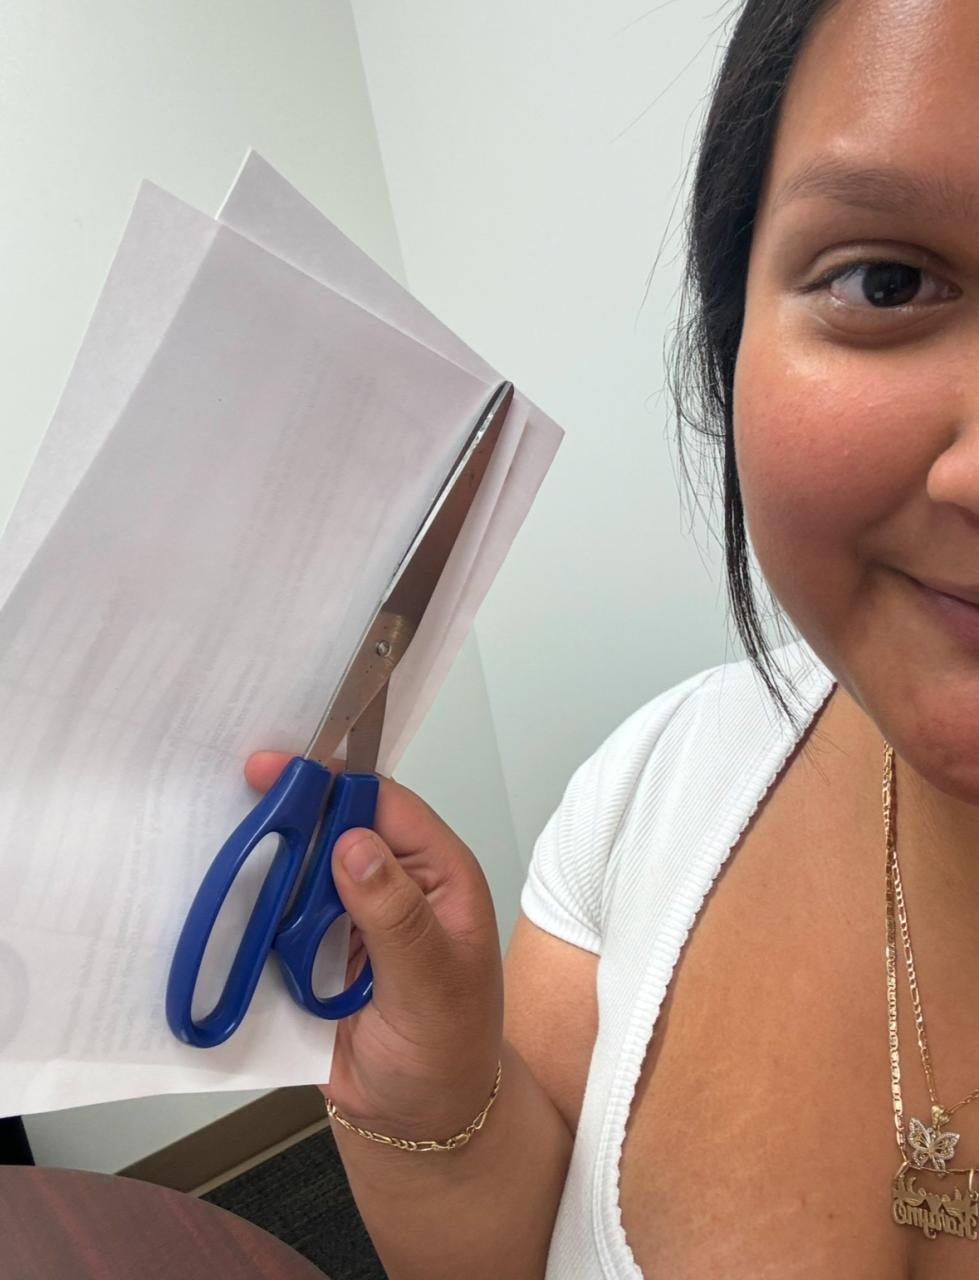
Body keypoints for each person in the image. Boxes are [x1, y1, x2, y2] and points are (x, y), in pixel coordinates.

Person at [248, 0, 979, 1274]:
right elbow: (523, 1244)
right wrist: (437, 1108)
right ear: (730, 338)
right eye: (888, 281)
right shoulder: (642, 793)